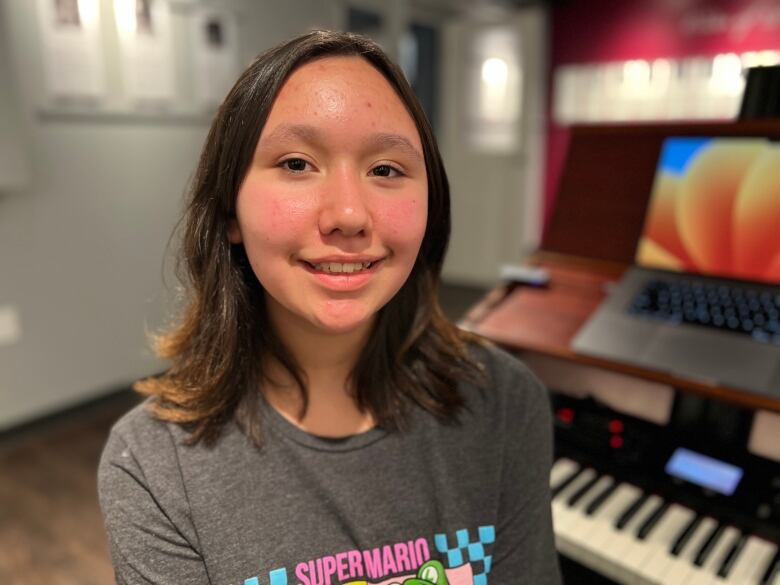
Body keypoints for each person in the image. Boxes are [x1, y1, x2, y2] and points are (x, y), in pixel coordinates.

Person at [98, 30, 561, 585]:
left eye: (386, 170)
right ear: (229, 213)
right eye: (296, 163)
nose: (349, 214)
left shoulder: (502, 404)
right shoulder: (155, 464)